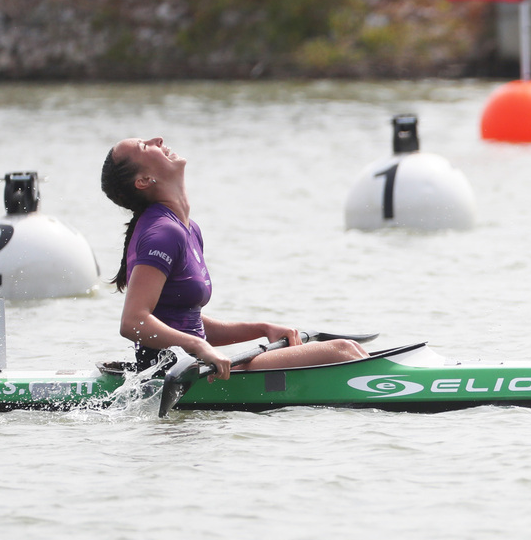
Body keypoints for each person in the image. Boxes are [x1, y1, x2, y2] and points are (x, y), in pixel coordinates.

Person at [101, 136, 369, 378]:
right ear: (144, 181)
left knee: (350, 350)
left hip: (198, 364)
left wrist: (263, 328)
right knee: (342, 350)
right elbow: (133, 321)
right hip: (177, 372)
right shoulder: (163, 232)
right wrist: (197, 345)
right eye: (143, 146)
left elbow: (184, 320)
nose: (156, 139)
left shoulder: (187, 229)